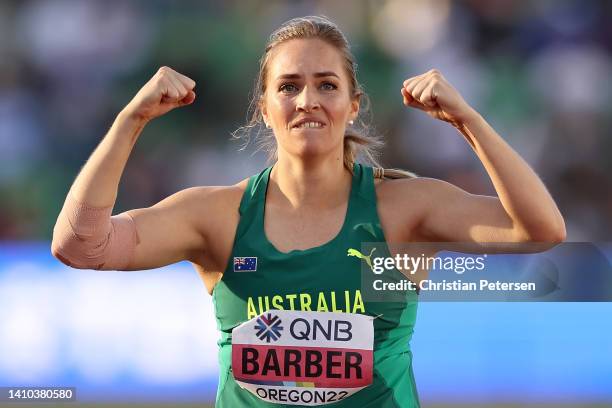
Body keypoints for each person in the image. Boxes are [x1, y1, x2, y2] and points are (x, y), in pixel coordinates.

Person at [51, 16, 565, 408]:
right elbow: (81, 245)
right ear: (264, 107)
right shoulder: (217, 216)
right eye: (289, 86)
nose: (307, 101)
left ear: (353, 104)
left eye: (326, 85)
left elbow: (539, 230)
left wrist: (468, 120)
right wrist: (131, 119)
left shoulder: (404, 210)